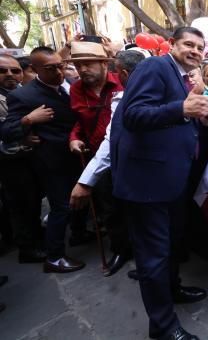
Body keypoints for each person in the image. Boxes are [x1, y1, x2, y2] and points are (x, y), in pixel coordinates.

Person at [110, 27, 208, 340]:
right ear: (172, 45)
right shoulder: (154, 66)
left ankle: (173, 289)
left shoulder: (183, 77)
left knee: (170, 246)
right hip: (147, 182)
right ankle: (163, 328)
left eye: (199, 47)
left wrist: (199, 114)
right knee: (153, 256)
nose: (195, 51)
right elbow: (135, 115)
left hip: (171, 178)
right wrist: (181, 108)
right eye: (188, 45)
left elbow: (175, 121)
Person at [1, 46, 85, 273]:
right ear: (35, 69)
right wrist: (28, 120)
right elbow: (8, 132)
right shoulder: (24, 95)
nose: (59, 71)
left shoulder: (69, 85)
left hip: (76, 154)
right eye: (51, 68)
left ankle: (79, 234)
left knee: (80, 200)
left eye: (61, 65)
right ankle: (54, 257)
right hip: (51, 161)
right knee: (61, 207)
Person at [69, 50, 145, 277]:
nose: (83, 69)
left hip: (129, 157)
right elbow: (77, 122)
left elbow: (115, 135)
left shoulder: (126, 82)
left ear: (105, 64)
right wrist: (73, 138)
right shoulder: (75, 89)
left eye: (88, 63)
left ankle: (144, 251)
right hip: (97, 158)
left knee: (136, 207)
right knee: (109, 208)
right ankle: (121, 249)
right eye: (78, 65)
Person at [0, 55, 46, 264]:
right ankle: (27, 248)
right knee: (19, 205)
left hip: (29, 157)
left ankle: (35, 238)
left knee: (32, 201)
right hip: (10, 162)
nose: (10, 75)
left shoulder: (20, 93)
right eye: (3, 71)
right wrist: (25, 124)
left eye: (15, 70)